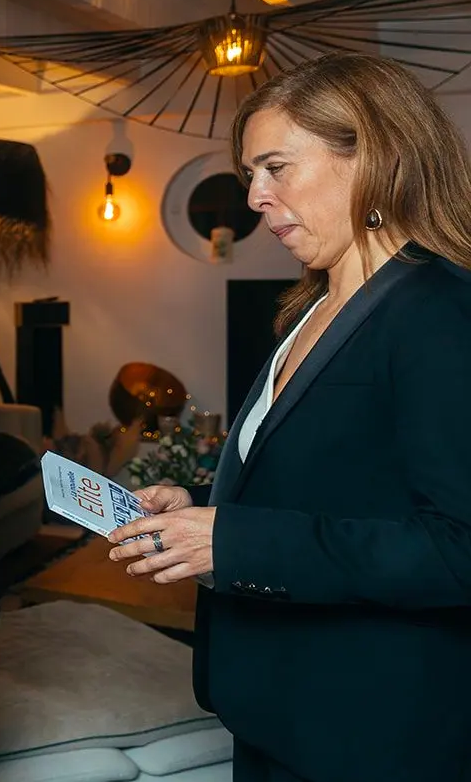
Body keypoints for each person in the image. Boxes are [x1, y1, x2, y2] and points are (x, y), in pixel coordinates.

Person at [109, 52, 471, 781]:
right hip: (281, 710)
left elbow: (458, 547)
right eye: (250, 174)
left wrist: (238, 542)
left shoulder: (439, 313)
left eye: (276, 167)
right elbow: (331, 483)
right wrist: (204, 511)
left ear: (374, 158)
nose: (254, 197)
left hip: (372, 732)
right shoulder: (308, 308)